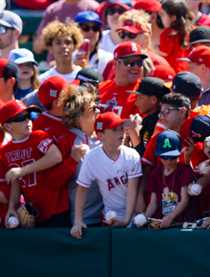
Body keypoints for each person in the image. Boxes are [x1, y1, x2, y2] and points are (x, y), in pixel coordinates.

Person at [71, 112, 142, 239]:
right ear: (100, 135)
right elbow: (81, 189)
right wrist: (78, 220)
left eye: (121, 128)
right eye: (115, 130)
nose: (121, 133)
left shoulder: (132, 155)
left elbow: (133, 190)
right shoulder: (92, 158)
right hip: (110, 216)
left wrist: (126, 219)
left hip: (134, 215)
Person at [0, 100, 69, 228]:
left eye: (29, 116)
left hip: (56, 208)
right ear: (8, 127)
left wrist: (22, 170)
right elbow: (15, 183)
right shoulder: (5, 151)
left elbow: (56, 156)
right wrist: (12, 208)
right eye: (21, 118)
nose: (28, 120)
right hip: (34, 212)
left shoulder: (38, 136)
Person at [60, 84, 103, 226]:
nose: (98, 111)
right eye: (93, 109)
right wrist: (71, 160)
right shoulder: (67, 141)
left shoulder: (104, 136)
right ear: (79, 116)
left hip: (106, 217)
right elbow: (55, 182)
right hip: (81, 221)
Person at [144, 130, 194, 227]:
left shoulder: (184, 170)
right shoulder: (155, 173)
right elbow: (153, 203)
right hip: (161, 221)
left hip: (180, 222)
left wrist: (170, 217)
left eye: (172, 157)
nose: (168, 161)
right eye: (164, 158)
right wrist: (145, 218)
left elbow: (184, 200)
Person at [98, 41, 147, 119]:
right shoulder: (100, 88)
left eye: (139, 62)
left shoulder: (144, 93)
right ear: (116, 63)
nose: (136, 67)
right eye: (131, 63)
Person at [125, 76, 171, 156]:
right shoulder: (149, 119)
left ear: (153, 100)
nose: (136, 103)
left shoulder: (158, 122)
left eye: (140, 97)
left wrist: (134, 133)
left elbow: (144, 158)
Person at [33, 0, 99, 55]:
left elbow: (101, 39)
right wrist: (55, 32)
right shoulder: (53, 9)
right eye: (85, 27)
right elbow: (37, 48)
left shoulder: (94, 7)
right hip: (54, 64)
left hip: (88, 61)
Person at [74, 11, 114, 77]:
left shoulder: (108, 58)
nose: (91, 32)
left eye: (95, 28)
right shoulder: (68, 57)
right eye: (85, 27)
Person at [158, 0, 193, 72]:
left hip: (170, 74)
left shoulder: (165, 34)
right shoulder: (192, 31)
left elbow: (162, 53)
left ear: (173, 18)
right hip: (187, 73)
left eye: (162, 14)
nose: (160, 17)